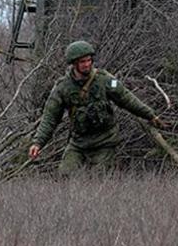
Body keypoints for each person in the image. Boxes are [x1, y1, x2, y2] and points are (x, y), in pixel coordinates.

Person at [28, 40, 164, 173]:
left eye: (89, 60)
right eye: (82, 62)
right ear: (74, 64)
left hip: (105, 140)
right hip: (79, 142)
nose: (87, 64)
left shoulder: (104, 79)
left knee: (98, 178)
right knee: (65, 174)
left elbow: (127, 99)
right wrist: (38, 143)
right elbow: (49, 118)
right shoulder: (62, 87)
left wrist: (150, 115)